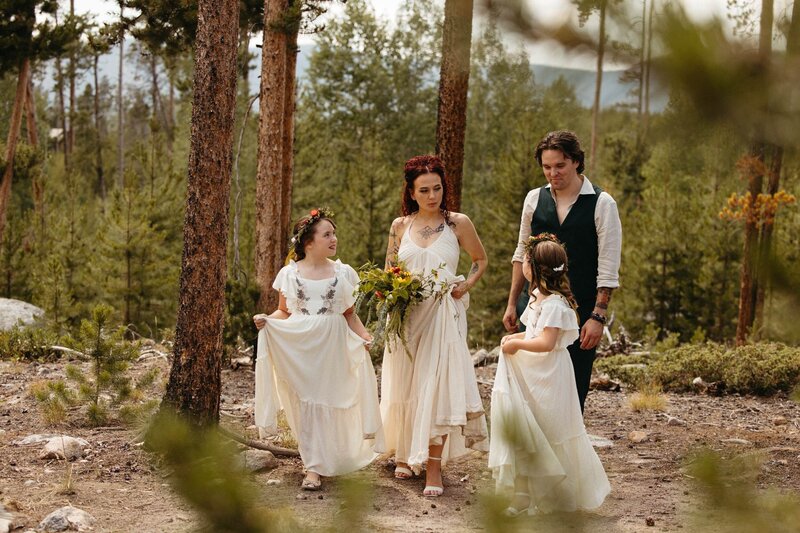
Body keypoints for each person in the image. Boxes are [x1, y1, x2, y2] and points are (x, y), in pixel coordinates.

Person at [380, 155, 489, 497]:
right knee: (406, 383)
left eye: (437, 188)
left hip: (444, 314)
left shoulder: (458, 224)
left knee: (436, 384)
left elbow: (481, 261)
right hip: (409, 315)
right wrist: (390, 290)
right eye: (424, 190)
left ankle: (433, 467)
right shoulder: (400, 226)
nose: (432, 196)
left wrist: (465, 286)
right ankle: (403, 452)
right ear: (411, 192)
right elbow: (389, 269)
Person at [253, 208, 383, 491]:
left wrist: (364, 335)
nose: (334, 238)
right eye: (327, 234)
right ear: (308, 242)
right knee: (308, 402)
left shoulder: (343, 273)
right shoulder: (290, 274)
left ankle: (333, 457)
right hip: (302, 347)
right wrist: (266, 320)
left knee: (332, 399)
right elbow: (283, 312)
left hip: (333, 346)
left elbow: (350, 313)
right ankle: (312, 467)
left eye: (333, 233)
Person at [489, 233, 610, 515]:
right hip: (531, 375)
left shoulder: (555, 304)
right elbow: (532, 333)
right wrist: (516, 338)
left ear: (534, 267)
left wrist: (516, 343)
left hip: (548, 378)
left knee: (548, 430)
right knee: (525, 430)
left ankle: (557, 495)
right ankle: (522, 496)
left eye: (526, 260)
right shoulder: (535, 299)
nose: (523, 264)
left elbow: (545, 342)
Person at [502, 130, 622, 413]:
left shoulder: (602, 204)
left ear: (576, 162)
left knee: (570, 390)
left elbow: (607, 267)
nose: (552, 173)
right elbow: (521, 253)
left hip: (580, 313)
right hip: (534, 308)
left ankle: (564, 452)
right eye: (546, 167)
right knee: (528, 387)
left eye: (560, 165)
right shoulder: (534, 199)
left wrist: (598, 316)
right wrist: (511, 303)